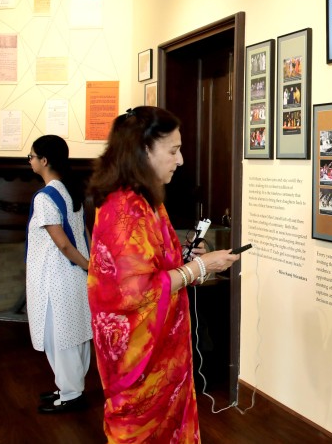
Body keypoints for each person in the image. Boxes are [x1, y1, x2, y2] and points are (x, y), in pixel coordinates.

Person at [87, 106, 239, 442]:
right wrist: (201, 267)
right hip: (139, 355)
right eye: (173, 151)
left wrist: (186, 259)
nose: (180, 160)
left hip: (165, 347)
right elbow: (135, 290)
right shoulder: (124, 208)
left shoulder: (147, 200)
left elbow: (153, 266)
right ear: (144, 150)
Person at [25, 134, 92, 414]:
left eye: (31, 156)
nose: (29, 161)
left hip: (56, 277)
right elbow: (84, 233)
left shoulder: (45, 197)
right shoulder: (70, 190)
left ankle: (71, 394)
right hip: (74, 275)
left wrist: (89, 267)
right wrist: (88, 265)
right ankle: (69, 386)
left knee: (59, 336)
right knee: (76, 332)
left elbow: (62, 243)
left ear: (44, 160)